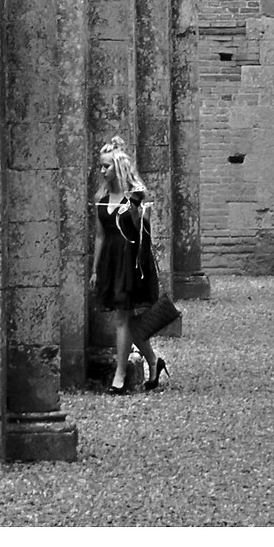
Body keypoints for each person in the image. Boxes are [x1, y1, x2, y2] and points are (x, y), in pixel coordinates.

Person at [90, 137, 167, 392]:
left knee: (123, 318)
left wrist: (139, 210)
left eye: (106, 166)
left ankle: (120, 375)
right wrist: (94, 269)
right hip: (111, 261)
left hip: (130, 260)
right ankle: (154, 361)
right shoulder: (100, 197)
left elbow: (144, 230)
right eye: (101, 166)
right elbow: (100, 235)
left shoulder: (135, 195)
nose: (102, 171)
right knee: (127, 320)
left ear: (118, 168)